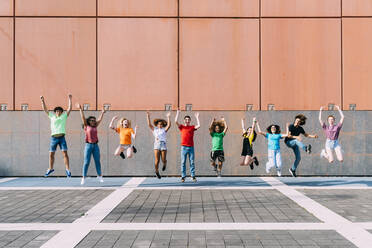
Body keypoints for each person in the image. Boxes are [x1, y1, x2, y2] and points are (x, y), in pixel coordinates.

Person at [41, 94, 72, 177]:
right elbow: (45, 109)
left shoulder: (64, 116)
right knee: (51, 154)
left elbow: (69, 109)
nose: (58, 112)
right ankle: (50, 168)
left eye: (59, 111)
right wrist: (42, 101)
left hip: (62, 138)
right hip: (53, 138)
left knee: (65, 153)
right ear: (55, 112)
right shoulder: (52, 116)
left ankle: (68, 170)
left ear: (61, 112)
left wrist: (70, 99)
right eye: (57, 111)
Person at [77, 103, 105, 185]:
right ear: (89, 121)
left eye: (94, 120)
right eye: (92, 120)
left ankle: (100, 176)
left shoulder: (95, 126)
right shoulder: (86, 126)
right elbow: (82, 117)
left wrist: (102, 113)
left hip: (95, 146)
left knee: (97, 161)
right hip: (88, 146)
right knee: (86, 162)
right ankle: (83, 177)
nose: (93, 121)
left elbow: (99, 119)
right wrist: (80, 109)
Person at [175, 110, 200, 182]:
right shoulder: (182, 127)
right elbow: (175, 121)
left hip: (191, 147)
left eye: (188, 119)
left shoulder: (192, 127)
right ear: (184, 120)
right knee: (183, 162)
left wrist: (197, 117)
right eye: (186, 119)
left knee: (192, 162)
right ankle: (183, 176)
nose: (187, 120)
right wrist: (178, 113)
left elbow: (199, 125)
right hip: (184, 147)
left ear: (190, 121)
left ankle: (193, 176)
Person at [146, 111, 171, 179]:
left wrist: (168, 117)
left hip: (163, 144)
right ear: (156, 125)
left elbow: (169, 126)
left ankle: (164, 164)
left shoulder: (164, 130)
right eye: (159, 124)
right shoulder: (155, 129)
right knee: (157, 160)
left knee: (163, 159)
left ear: (163, 125)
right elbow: (149, 124)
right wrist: (148, 116)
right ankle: (157, 171)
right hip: (157, 144)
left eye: (161, 124)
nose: (160, 125)